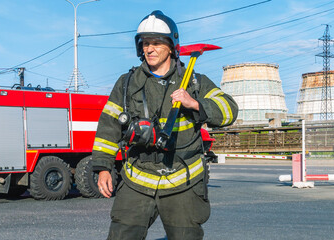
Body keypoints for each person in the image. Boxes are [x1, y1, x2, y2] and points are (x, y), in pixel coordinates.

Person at [92, 10, 238, 240]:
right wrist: (102, 167)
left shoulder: (193, 81)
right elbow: (108, 127)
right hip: (137, 180)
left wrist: (195, 104)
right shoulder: (127, 83)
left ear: (171, 46)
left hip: (183, 181)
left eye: (157, 43)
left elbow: (230, 110)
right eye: (145, 43)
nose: (149, 48)